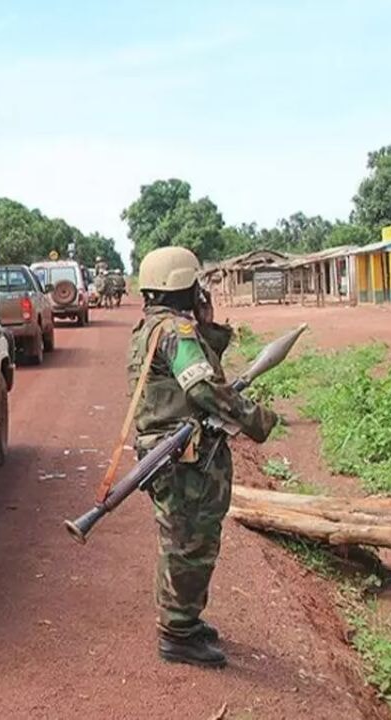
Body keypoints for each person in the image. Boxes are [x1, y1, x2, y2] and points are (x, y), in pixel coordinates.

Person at [129, 246, 278, 669]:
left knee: (179, 542)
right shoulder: (178, 332)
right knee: (190, 546)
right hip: (184, 464)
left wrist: (206, 325)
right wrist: (256, 419)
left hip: (170, 457)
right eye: (196, 284)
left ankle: (184, 622)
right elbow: (202, 389)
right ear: (183, 285)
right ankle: (178, 634)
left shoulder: (151, 328)